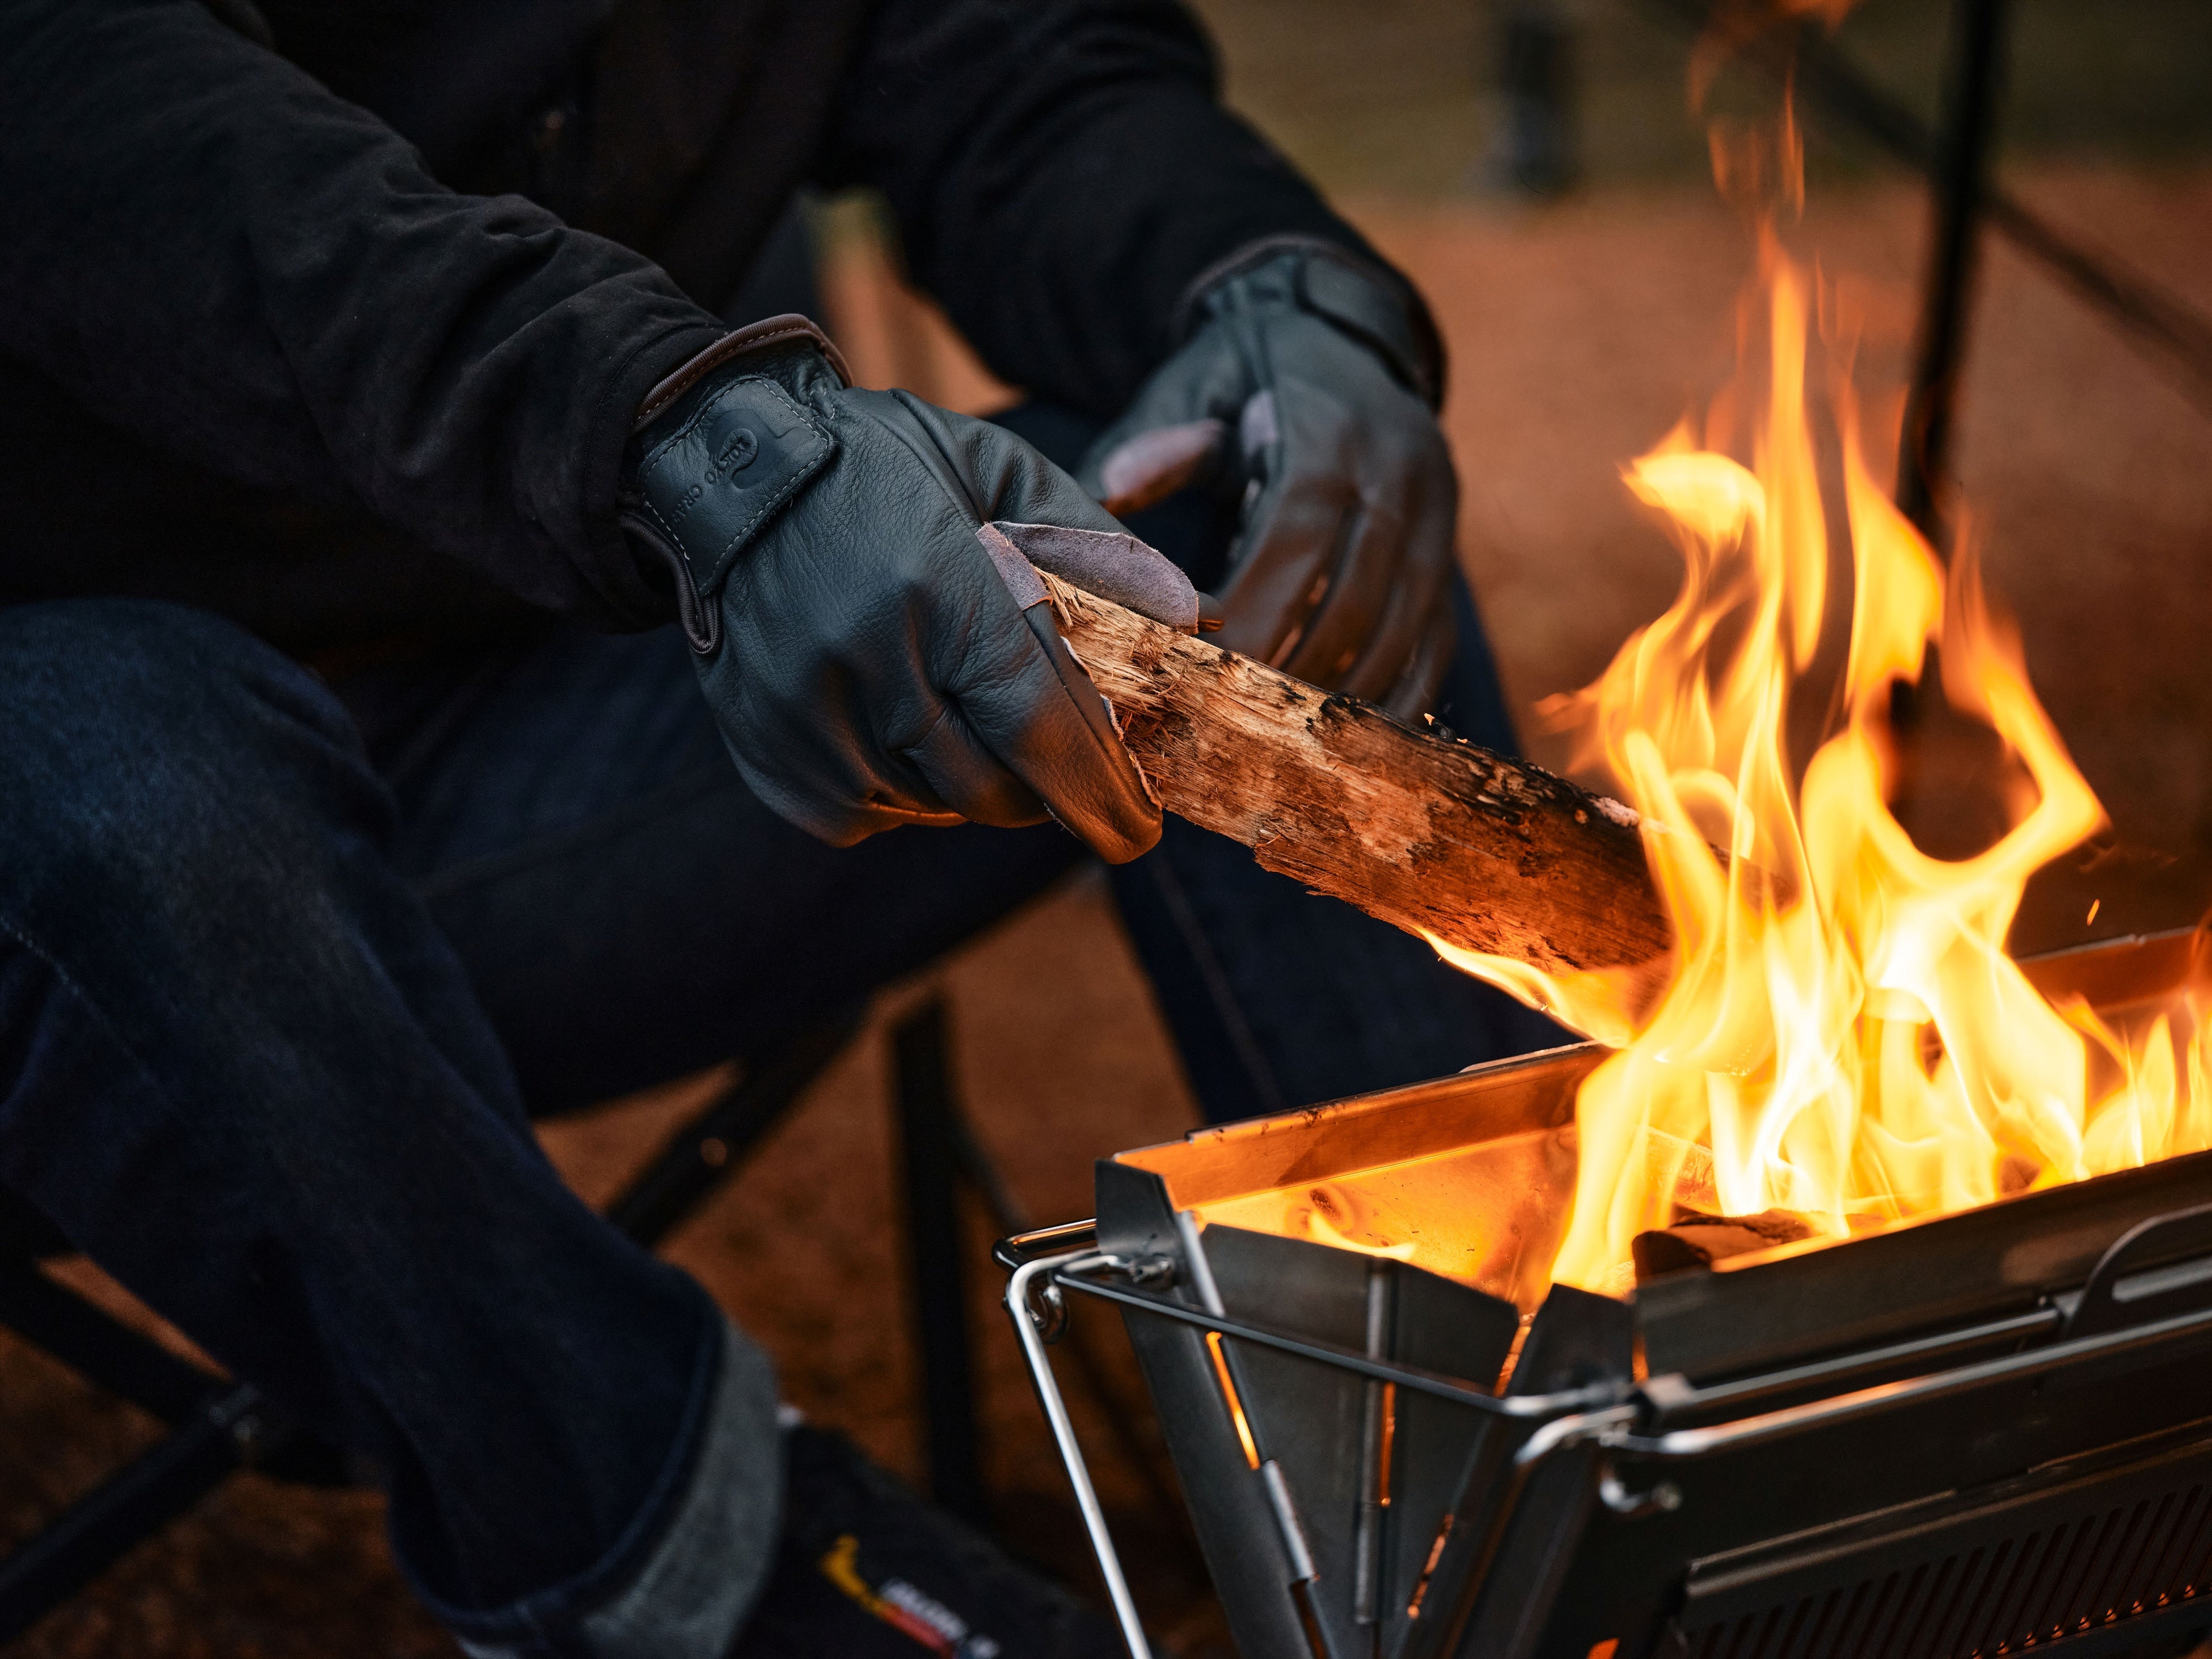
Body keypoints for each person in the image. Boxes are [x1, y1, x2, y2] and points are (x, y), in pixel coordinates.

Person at [0, 0, 1559, 1652]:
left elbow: (1016, 73)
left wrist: (1265, 279)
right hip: (91, 857)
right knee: (112, 750)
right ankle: (712, 1573)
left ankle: (1503, 1484)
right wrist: (699, 446)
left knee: (1229, 538)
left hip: (536, 746)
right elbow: (91, 110)